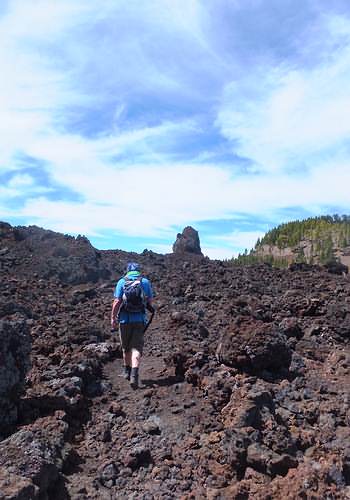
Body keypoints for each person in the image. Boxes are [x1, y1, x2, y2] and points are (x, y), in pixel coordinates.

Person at [111, 262, 154, 389]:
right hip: (139, 319)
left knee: (126, 347)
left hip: (124, 320)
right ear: (138, 271)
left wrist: (113, 318)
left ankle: (126, 371)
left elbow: (117, 301)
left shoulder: (121, 282)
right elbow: (149, 301)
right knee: (136, 347)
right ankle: (134, 374)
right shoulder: (145, 282)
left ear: (128, 271)